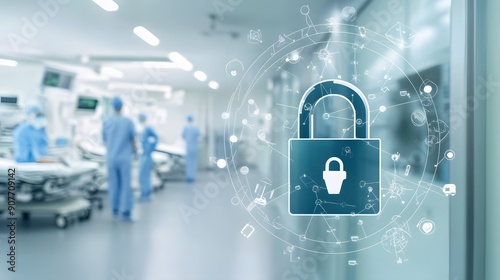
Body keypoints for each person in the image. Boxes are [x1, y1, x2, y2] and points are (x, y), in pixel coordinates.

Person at [102, 97, 136, 221]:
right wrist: (136, 152)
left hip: (111, 157)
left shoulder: (107, 121)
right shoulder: (128, 122)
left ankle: (115, 209)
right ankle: (126, 211)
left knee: (113, 183)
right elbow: (133, 140)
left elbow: (105, 139)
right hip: (124, 158)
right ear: (122, 107)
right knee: (126, 184)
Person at [137, 113, 158, 201]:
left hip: (147, 155)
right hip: (144, 154)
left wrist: (149, 148)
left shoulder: (148, 128)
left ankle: (145, 194)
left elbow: (156, 138)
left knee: (143, 175)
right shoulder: (143, 128)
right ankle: (145, 192)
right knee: (144, 175)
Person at [182, 115, 200, 183]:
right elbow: (199, 135)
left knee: (189, 162)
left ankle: (189, 177)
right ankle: (192, 177)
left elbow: (183, 136)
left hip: (188, 147)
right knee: (193, 162)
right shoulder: (195, 128)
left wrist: (188, 139)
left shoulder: (186, 127)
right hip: (195, 147)